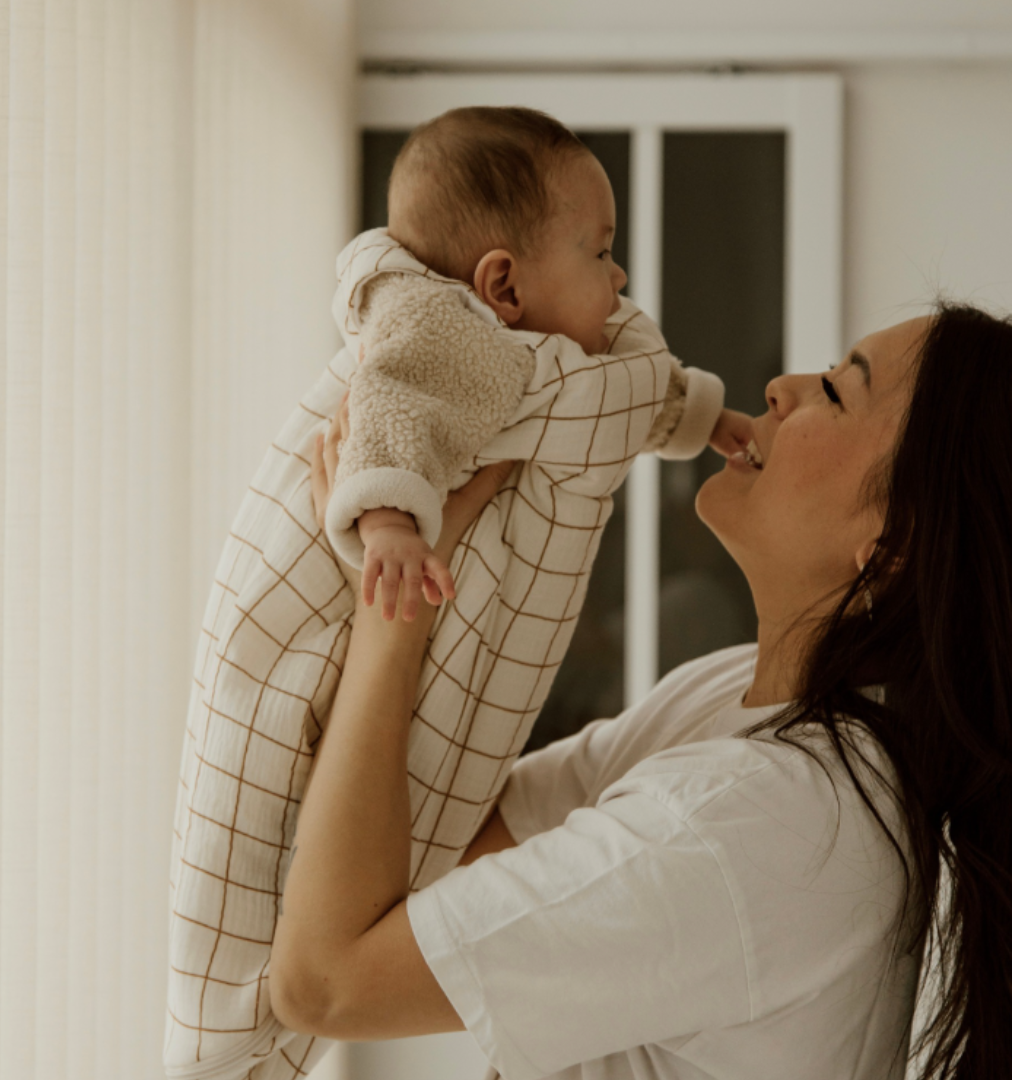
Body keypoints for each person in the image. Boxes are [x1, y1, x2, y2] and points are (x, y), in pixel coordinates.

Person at [269, 304, 1012, 1079]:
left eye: (834, 390)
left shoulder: (767, 819)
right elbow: (448, 842)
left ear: (889, 550)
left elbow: (322, 985)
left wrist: (391, 611)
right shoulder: (737, 695)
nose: (782, 388)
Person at [165, 107, 752, 1080]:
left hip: (426, 613)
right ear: (502, 286)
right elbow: (387, 414)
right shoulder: (438, 331)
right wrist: (391, 526)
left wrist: (707, 418)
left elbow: (628, 397)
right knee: (256, 833)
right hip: (331, 605)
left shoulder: (553, 367)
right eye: (601, 252)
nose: (619, 279)